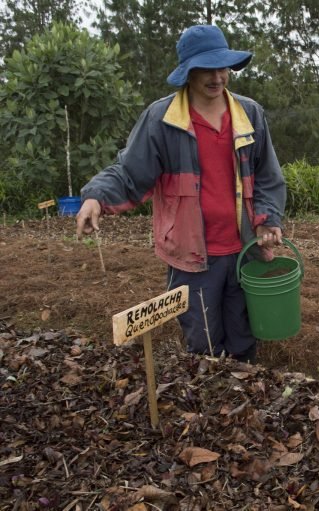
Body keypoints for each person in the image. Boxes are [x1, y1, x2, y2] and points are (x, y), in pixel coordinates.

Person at [76, 25, 286, 363]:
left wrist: (266, 219)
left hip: (244, 249)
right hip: (191, 258)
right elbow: (130, 172)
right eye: (207, 69)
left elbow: (267, 176)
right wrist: (95, 197)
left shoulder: (250, 115)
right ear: (188, 73)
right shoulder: (162, 120)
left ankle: (243, 405)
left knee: (244, 336)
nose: (217, 77)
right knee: (203, 341)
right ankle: (208, 408)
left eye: (223, 67)